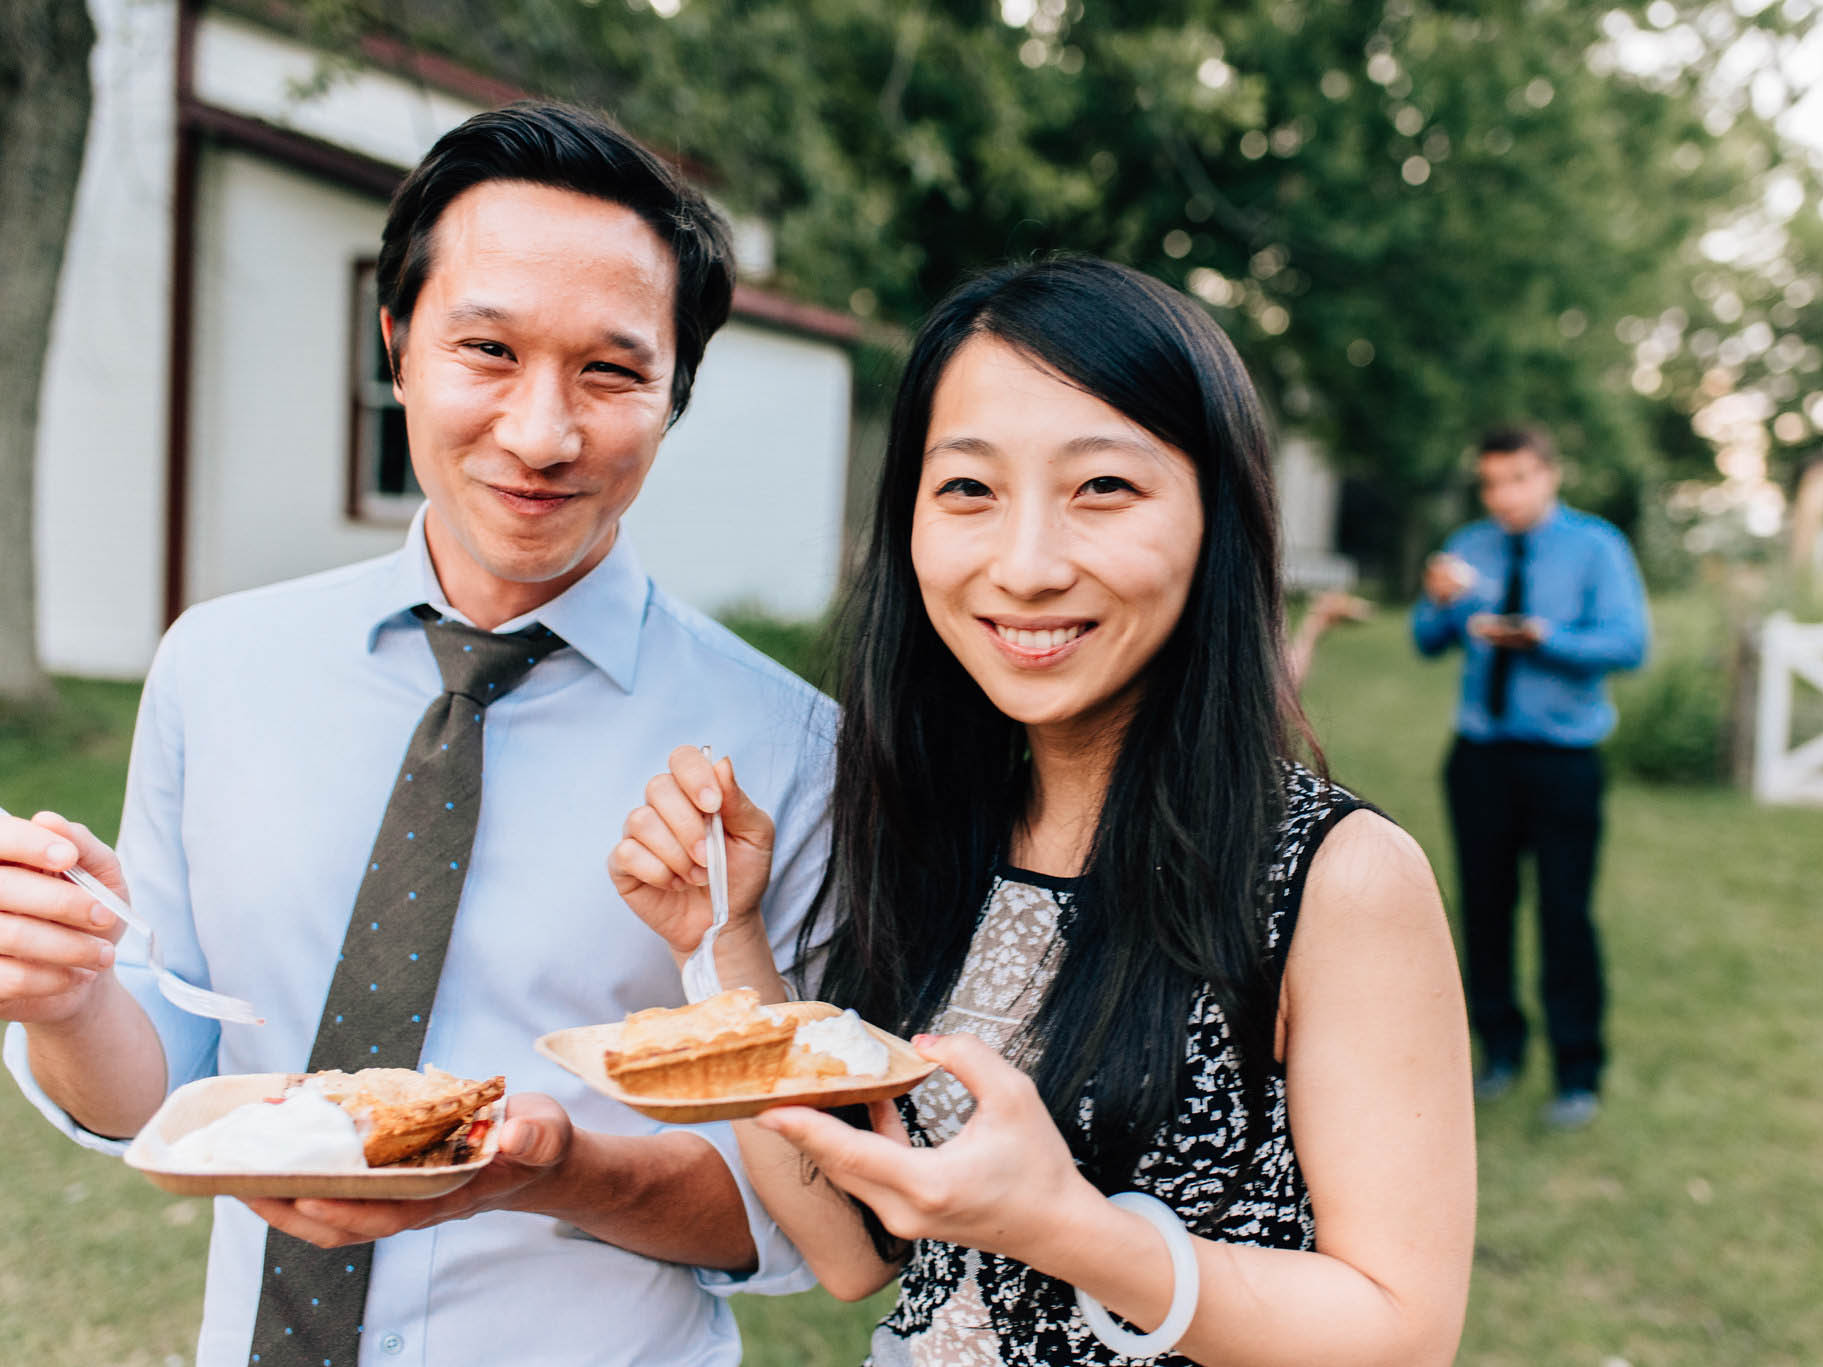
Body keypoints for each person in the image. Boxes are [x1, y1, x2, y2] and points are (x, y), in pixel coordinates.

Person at [0, 102, 834, 1366]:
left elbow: (800, 1217)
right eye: (487, 350)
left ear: (674, 397)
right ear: (397, 344)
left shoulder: (788, 748)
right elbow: (161, 1087)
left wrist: (544, 1169)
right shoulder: (216, 667)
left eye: (611, 372)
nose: (542, 434)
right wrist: (65, 998)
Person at [610, 257, 1476, 1365]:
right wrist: (722, 947)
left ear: (1218, 514)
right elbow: (854, 1250)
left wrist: (1068, 1227)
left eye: (1101, 488)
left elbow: (1403, 1332)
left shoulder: (1334, 875)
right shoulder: (936, 830)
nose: (1022, 566)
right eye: (967, 489)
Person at [1410, 425, 1648, 1130]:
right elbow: (1426, 641)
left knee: (1564, 912)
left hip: (1563, 760)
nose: (1503, 495)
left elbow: (1629, 643)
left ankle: (1578, 1071)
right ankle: (1498, 1050)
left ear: (1549, 473)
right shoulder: (1470, 546)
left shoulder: (1597, 546)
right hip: (1480, 756)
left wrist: (1547, 636)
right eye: (1491, 482)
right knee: (1484, 908)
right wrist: (1437, 597)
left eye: (1517, 478)